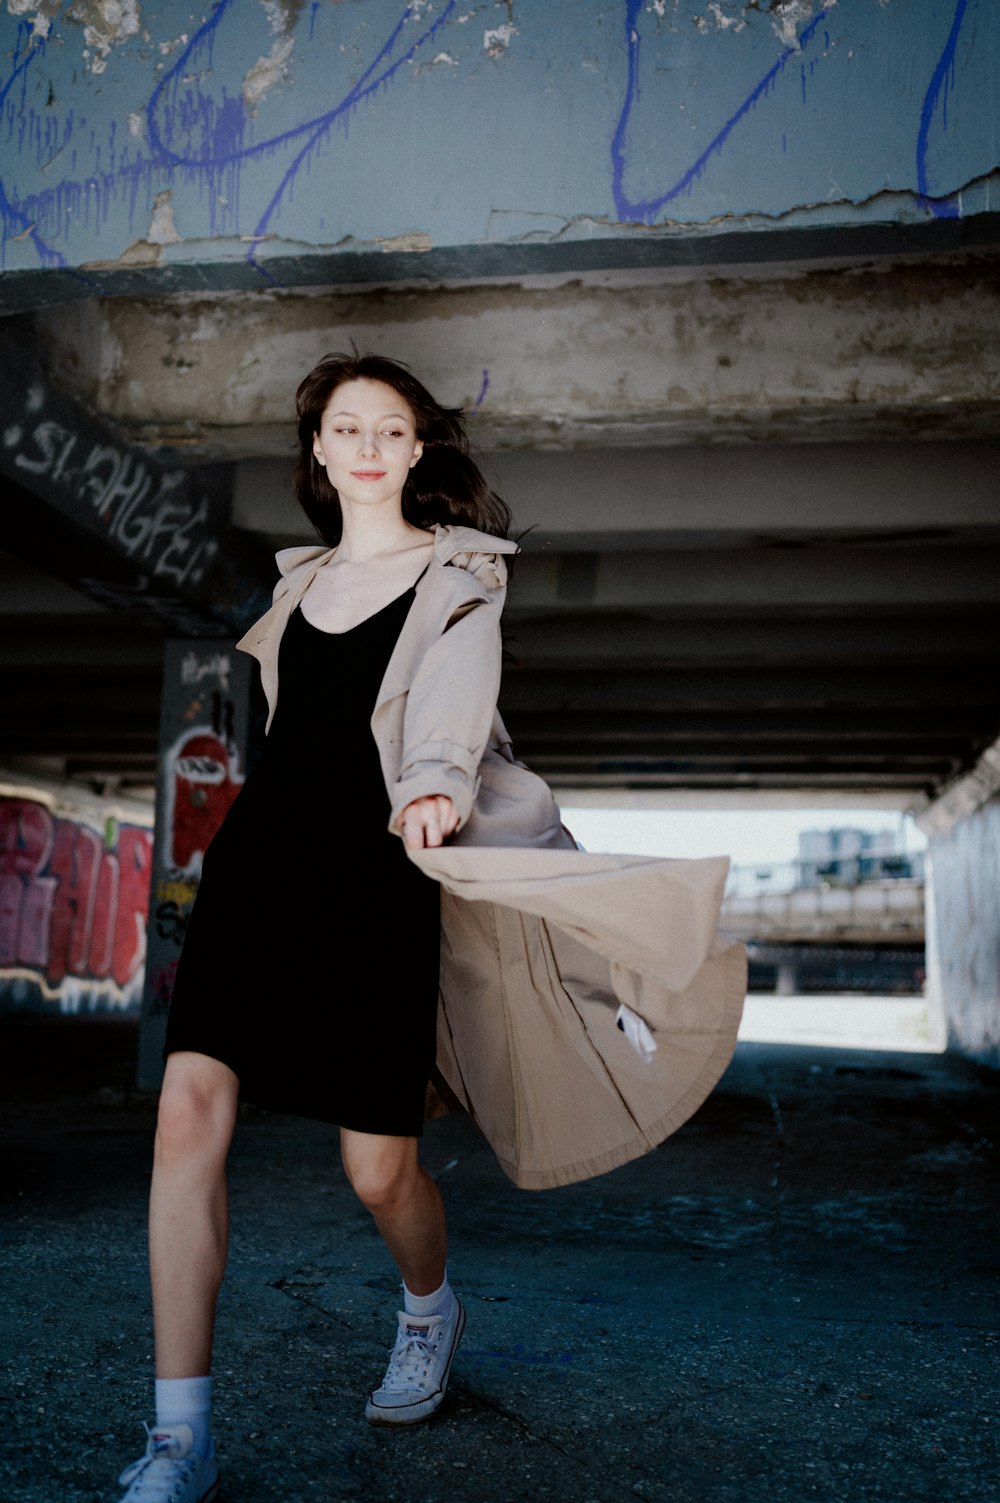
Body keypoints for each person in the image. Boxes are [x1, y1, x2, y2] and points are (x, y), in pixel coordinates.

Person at [116, 351, 746, 1503]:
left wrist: (435, 786)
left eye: (387, 428)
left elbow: (453, 695)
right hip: (260, 867)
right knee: (186, 1115)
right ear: (317, 452)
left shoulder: (458, 575)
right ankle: (177, 1437)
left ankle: (427, 1312)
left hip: (380, 872)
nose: (364, 444)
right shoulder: (293, 594)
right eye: (343, 427)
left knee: (374, 1169)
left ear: (414, 450)